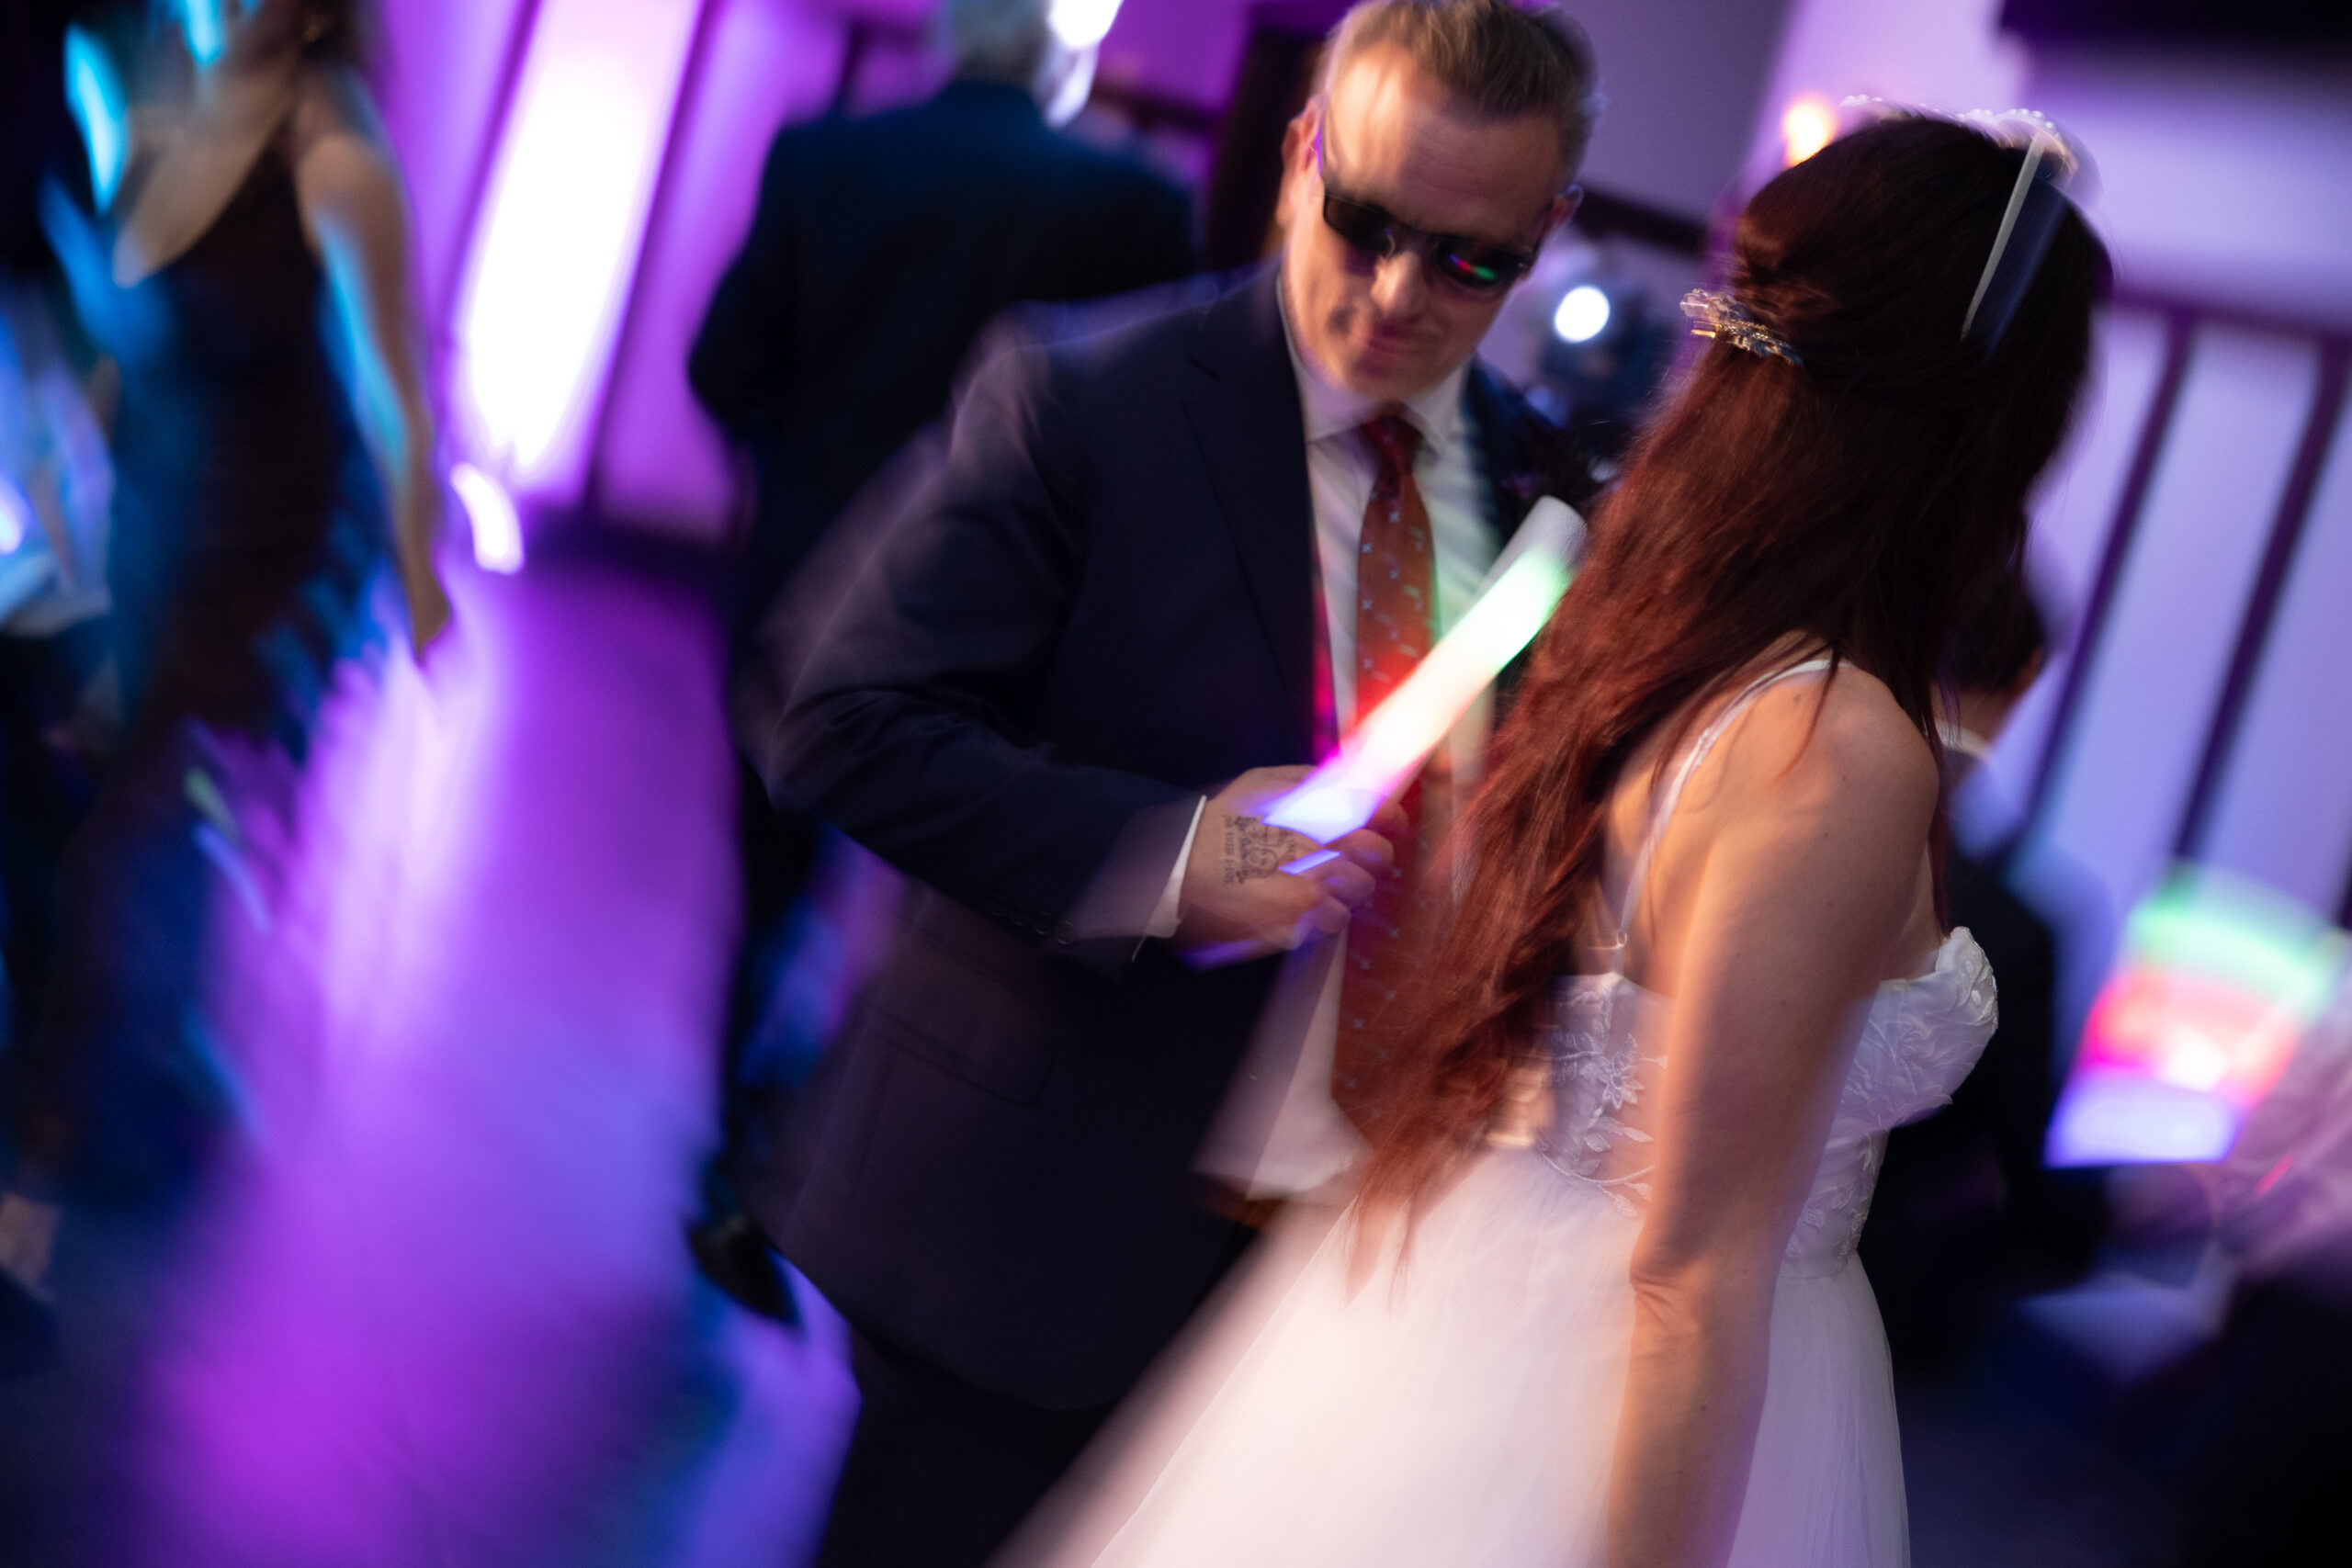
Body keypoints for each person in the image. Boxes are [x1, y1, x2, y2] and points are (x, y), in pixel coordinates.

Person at [1004, 110, 2109, 1568]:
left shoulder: (1662, 633)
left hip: (1484, 1289)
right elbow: (1690, 1272)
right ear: (1989, 431)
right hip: (1622, 1381)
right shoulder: (1833, 745)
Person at [749, 3, 1602, 1562]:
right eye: (1366, 220)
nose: (1401, 291)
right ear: (1298, 160)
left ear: (1547, 234)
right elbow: (840, 714)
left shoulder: (1548, 492)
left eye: (1470, 255)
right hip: (1034, 1222)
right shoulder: (1086, 397)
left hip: (1343, 1294)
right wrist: (1167, 853)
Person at [684, 0, 1200, 1315]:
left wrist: (806, 476)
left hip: (802, 577)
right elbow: (1140, 455)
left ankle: (734, 1146)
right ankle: (835, 1182)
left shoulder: (827, 155)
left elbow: (719, 363)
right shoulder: (1129, 204)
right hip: (1007, 636)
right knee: (934, 912)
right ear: (1055, 55)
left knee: (769, 882)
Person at [3, 0, 445, 1220]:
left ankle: (36, 1180)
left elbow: (394, 399)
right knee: (104, 807)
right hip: (147, 516)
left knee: (119, 835)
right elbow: (135, 336)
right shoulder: (153, 96)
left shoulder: (339, 152)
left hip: (260, 549)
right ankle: (143, 1062)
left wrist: (419, 585)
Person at [1860, 577, 2102, 1364]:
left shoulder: (1762, 798)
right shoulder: (2013, 926)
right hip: (1875, 1306)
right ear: (2028, 672)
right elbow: (2038, 1199)